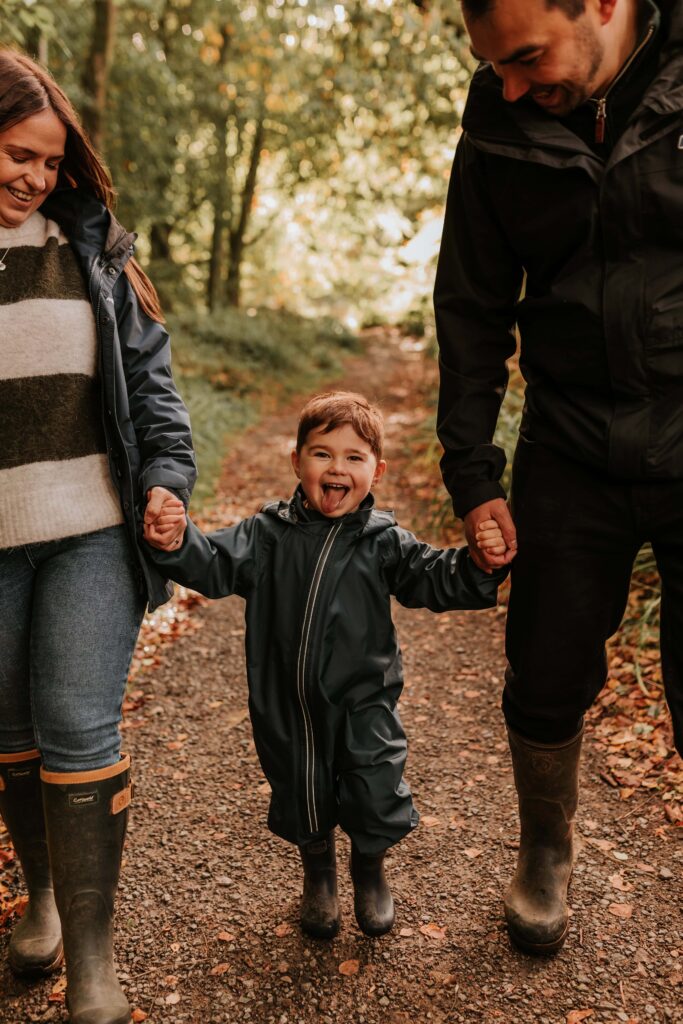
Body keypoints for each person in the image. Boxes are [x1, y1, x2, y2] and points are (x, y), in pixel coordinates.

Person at [434, 0, 683, 956]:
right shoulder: (497, 119)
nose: (507, 83)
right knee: (542, 670)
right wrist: (472, 469)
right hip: (569, 444)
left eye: (526, 56)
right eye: (491, 64)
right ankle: (544, 848)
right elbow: (470, 303)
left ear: (604, 5)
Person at [145, 391, 508, 939]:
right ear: (297, 461)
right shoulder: (266, 535)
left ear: (376, 472)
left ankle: (369, 868)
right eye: (321, 454)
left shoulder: (382, 541)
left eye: (354, 458)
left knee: (374, 783)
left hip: (364, 699)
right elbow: (213, 563)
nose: (337, 468)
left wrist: (479, 563)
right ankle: (318, 873)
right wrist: (177, 540)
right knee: (299, 786)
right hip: (285, 701)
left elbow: (436, 576)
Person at [0, 48, 194, 1024]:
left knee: (77, 725)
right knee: (11, 735)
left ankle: (93, 963)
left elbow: (151, 383)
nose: (29, 176)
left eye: (44, 159)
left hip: (89, 533)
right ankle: (39, 898)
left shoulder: (89, 245)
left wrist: (166, 479)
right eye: (12, 153)